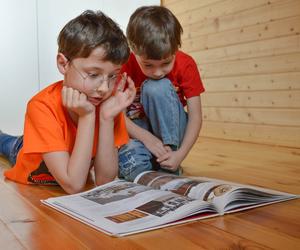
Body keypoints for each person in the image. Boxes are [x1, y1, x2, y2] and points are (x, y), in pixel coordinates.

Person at [0, 10, 136, 194]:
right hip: (27, 153)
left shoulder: (106, 106)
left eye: (113, 76)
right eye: (94, 75)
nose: (104, 88)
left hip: (53, 142)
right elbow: (74, 185)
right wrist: (87, 116)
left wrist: (105, 119)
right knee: (9, 144)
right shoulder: (41, 106)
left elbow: (104, 180)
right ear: (64, 64)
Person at [118, 6, 205, 181]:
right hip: (138, 132)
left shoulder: (186, 64)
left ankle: (169, 160)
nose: (158, 72)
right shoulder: (123, 65)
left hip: (172, 134)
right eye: (148, 65)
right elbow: (117, 116)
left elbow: (196, 117)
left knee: (156, 87)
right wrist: (147, 138)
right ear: (133, 51)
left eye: (166, 63)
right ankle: (156, 165)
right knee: (133, 171)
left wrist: (180, 154)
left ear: (176, 49)